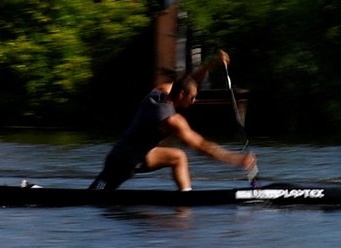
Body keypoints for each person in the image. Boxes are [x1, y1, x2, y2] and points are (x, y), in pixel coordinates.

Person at [88, 50, 257, 191]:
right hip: (122, 160)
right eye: (192, 98)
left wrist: (211, 64)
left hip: (142, 154)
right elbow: (202, 146)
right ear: (182, 95)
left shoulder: (163, 89)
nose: (195, 101)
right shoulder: (172, 120)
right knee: (96, 194)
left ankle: (186, 198)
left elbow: (189, 82)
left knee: (178, 156)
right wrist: (237, 159)